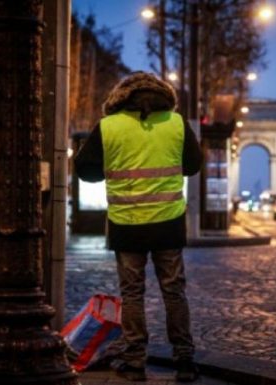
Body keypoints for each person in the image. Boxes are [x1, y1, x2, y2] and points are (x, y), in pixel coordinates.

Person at [74, 71, 203, 382]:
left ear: (121, 97)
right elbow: (193, 164)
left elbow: (85, 171)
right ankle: (184, 360)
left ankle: (134, 362)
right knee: (174, 291)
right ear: (163, 96)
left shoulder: (109, 126)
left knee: (132, 293)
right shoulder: (176, 124)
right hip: (168, 222)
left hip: (126, 222)